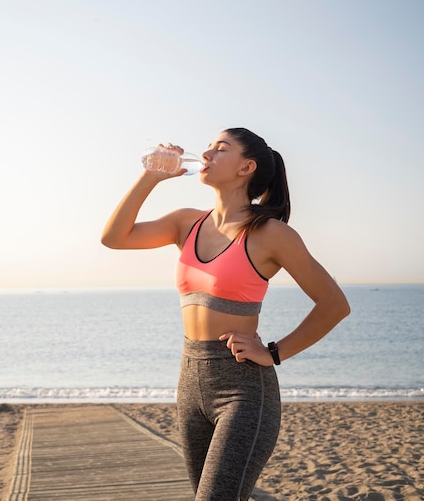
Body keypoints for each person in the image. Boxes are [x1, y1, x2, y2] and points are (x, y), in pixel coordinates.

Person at [101, 127, 350, 501]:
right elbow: (114, 237)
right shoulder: (187, 222)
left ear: (246, 167)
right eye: (208, 147)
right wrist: (150, 177)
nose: (206, 155)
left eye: (220, 149)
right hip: (190, 383)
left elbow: (334, 304)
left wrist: (275, 351)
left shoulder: (271, 234)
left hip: (244, 389)